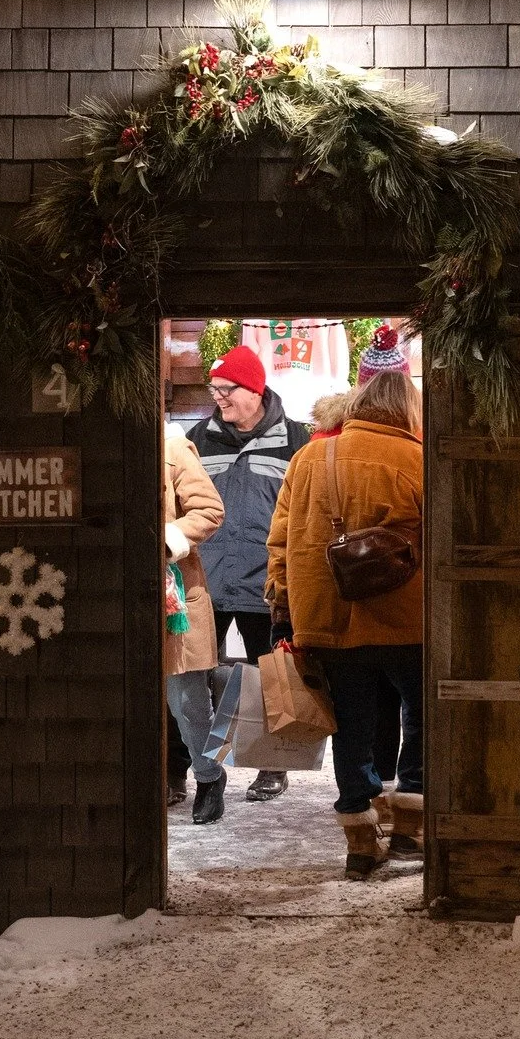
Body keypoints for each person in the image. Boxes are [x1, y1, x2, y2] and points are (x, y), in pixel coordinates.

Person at [265, 370, 424, 877]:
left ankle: (360, 842)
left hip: (328, 618)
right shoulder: (419, 459)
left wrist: (283, 602)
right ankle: (409, 829)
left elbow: (281, 541)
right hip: (407, 617)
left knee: (350, 727)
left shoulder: (309, 457)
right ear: (407, 411)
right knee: (421, 719)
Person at [187, 342, 310, 800]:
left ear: (255, 389)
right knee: (190, 680)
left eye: (227, 389)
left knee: (270, 680)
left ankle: (272, 768)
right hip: (207, 583)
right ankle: (189, 770)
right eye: (214, 389)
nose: (218, 397)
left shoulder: (297, 440)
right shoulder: (197, 439)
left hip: (268, 584)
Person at [164, 430, 228, 824]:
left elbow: (209, 510)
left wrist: (167, 538)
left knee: (188, 703)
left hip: (176, 590)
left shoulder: (173, 446)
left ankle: (209, 777)